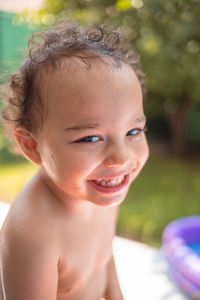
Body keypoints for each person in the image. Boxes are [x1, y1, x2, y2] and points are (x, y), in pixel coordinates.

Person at [0, 22, 149, 300]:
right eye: (91, 138)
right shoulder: (32, 235)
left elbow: (103, 258)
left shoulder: (102, 189)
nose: (121, 158)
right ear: (32, 146)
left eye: (133, 131)